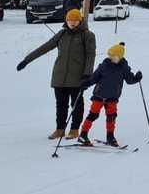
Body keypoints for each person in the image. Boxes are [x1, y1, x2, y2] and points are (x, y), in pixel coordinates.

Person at [16, 8, 96, 140]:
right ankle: (60, 129)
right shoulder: (62, 34)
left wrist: (87, 75)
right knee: (61, 104)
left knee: (76, 104)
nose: (72, 23)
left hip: (77, 77)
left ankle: (74, 129)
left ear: (80, 21)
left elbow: (90, 55)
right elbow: (46, 47)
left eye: (75, 20)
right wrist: (26, 60)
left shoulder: (87, 35)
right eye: (69, 20)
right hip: (59, 75)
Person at [76, 43, 142, 147]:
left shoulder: (123, 68)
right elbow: (94, 78)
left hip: (112, 97)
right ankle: (83, 134)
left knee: (111, 117)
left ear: (120, 57)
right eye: (110, 56)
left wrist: (136, 78)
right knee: (93, 114)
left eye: (114, 56)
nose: (112, 58)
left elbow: (129, 80)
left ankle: (110, 137)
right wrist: (86, 83)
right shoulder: (104, 66)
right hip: (99, 95)